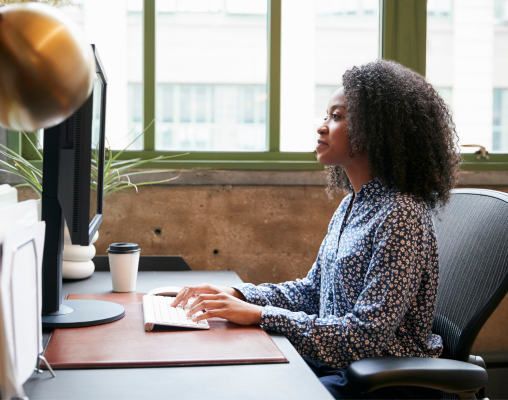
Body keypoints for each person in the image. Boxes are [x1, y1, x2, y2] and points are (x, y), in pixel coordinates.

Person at [171, 60, 461, 400]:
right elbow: (312, 292)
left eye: (337, 117)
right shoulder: (352, 205)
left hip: (384, 382)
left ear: (377, 132)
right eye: (326, 116)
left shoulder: (401, 214)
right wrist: (239, 296)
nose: (322, 127)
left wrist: (261, 316)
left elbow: (366, 336)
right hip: (340, 366)